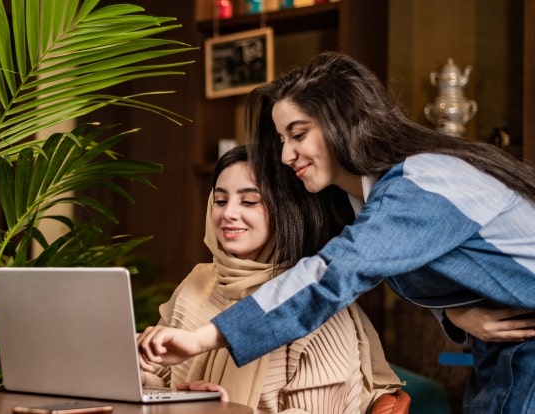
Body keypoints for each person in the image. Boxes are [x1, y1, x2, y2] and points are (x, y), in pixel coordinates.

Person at [138, 52, 535, 414]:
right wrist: (455, 312)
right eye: (281, 139)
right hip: (504, 350)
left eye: (298, 134)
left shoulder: (420, 182)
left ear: (341, 123)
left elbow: (332, 276)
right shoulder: (366, 200)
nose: (285, 155)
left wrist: (204, 338)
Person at [142, 145, 403, 413]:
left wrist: (225, 410)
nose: (228, 213)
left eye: (249, 201)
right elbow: (164, 384)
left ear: (285, 209)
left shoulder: (314, 306)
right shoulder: (198, 282)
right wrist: (139, 379)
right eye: (220, 201)